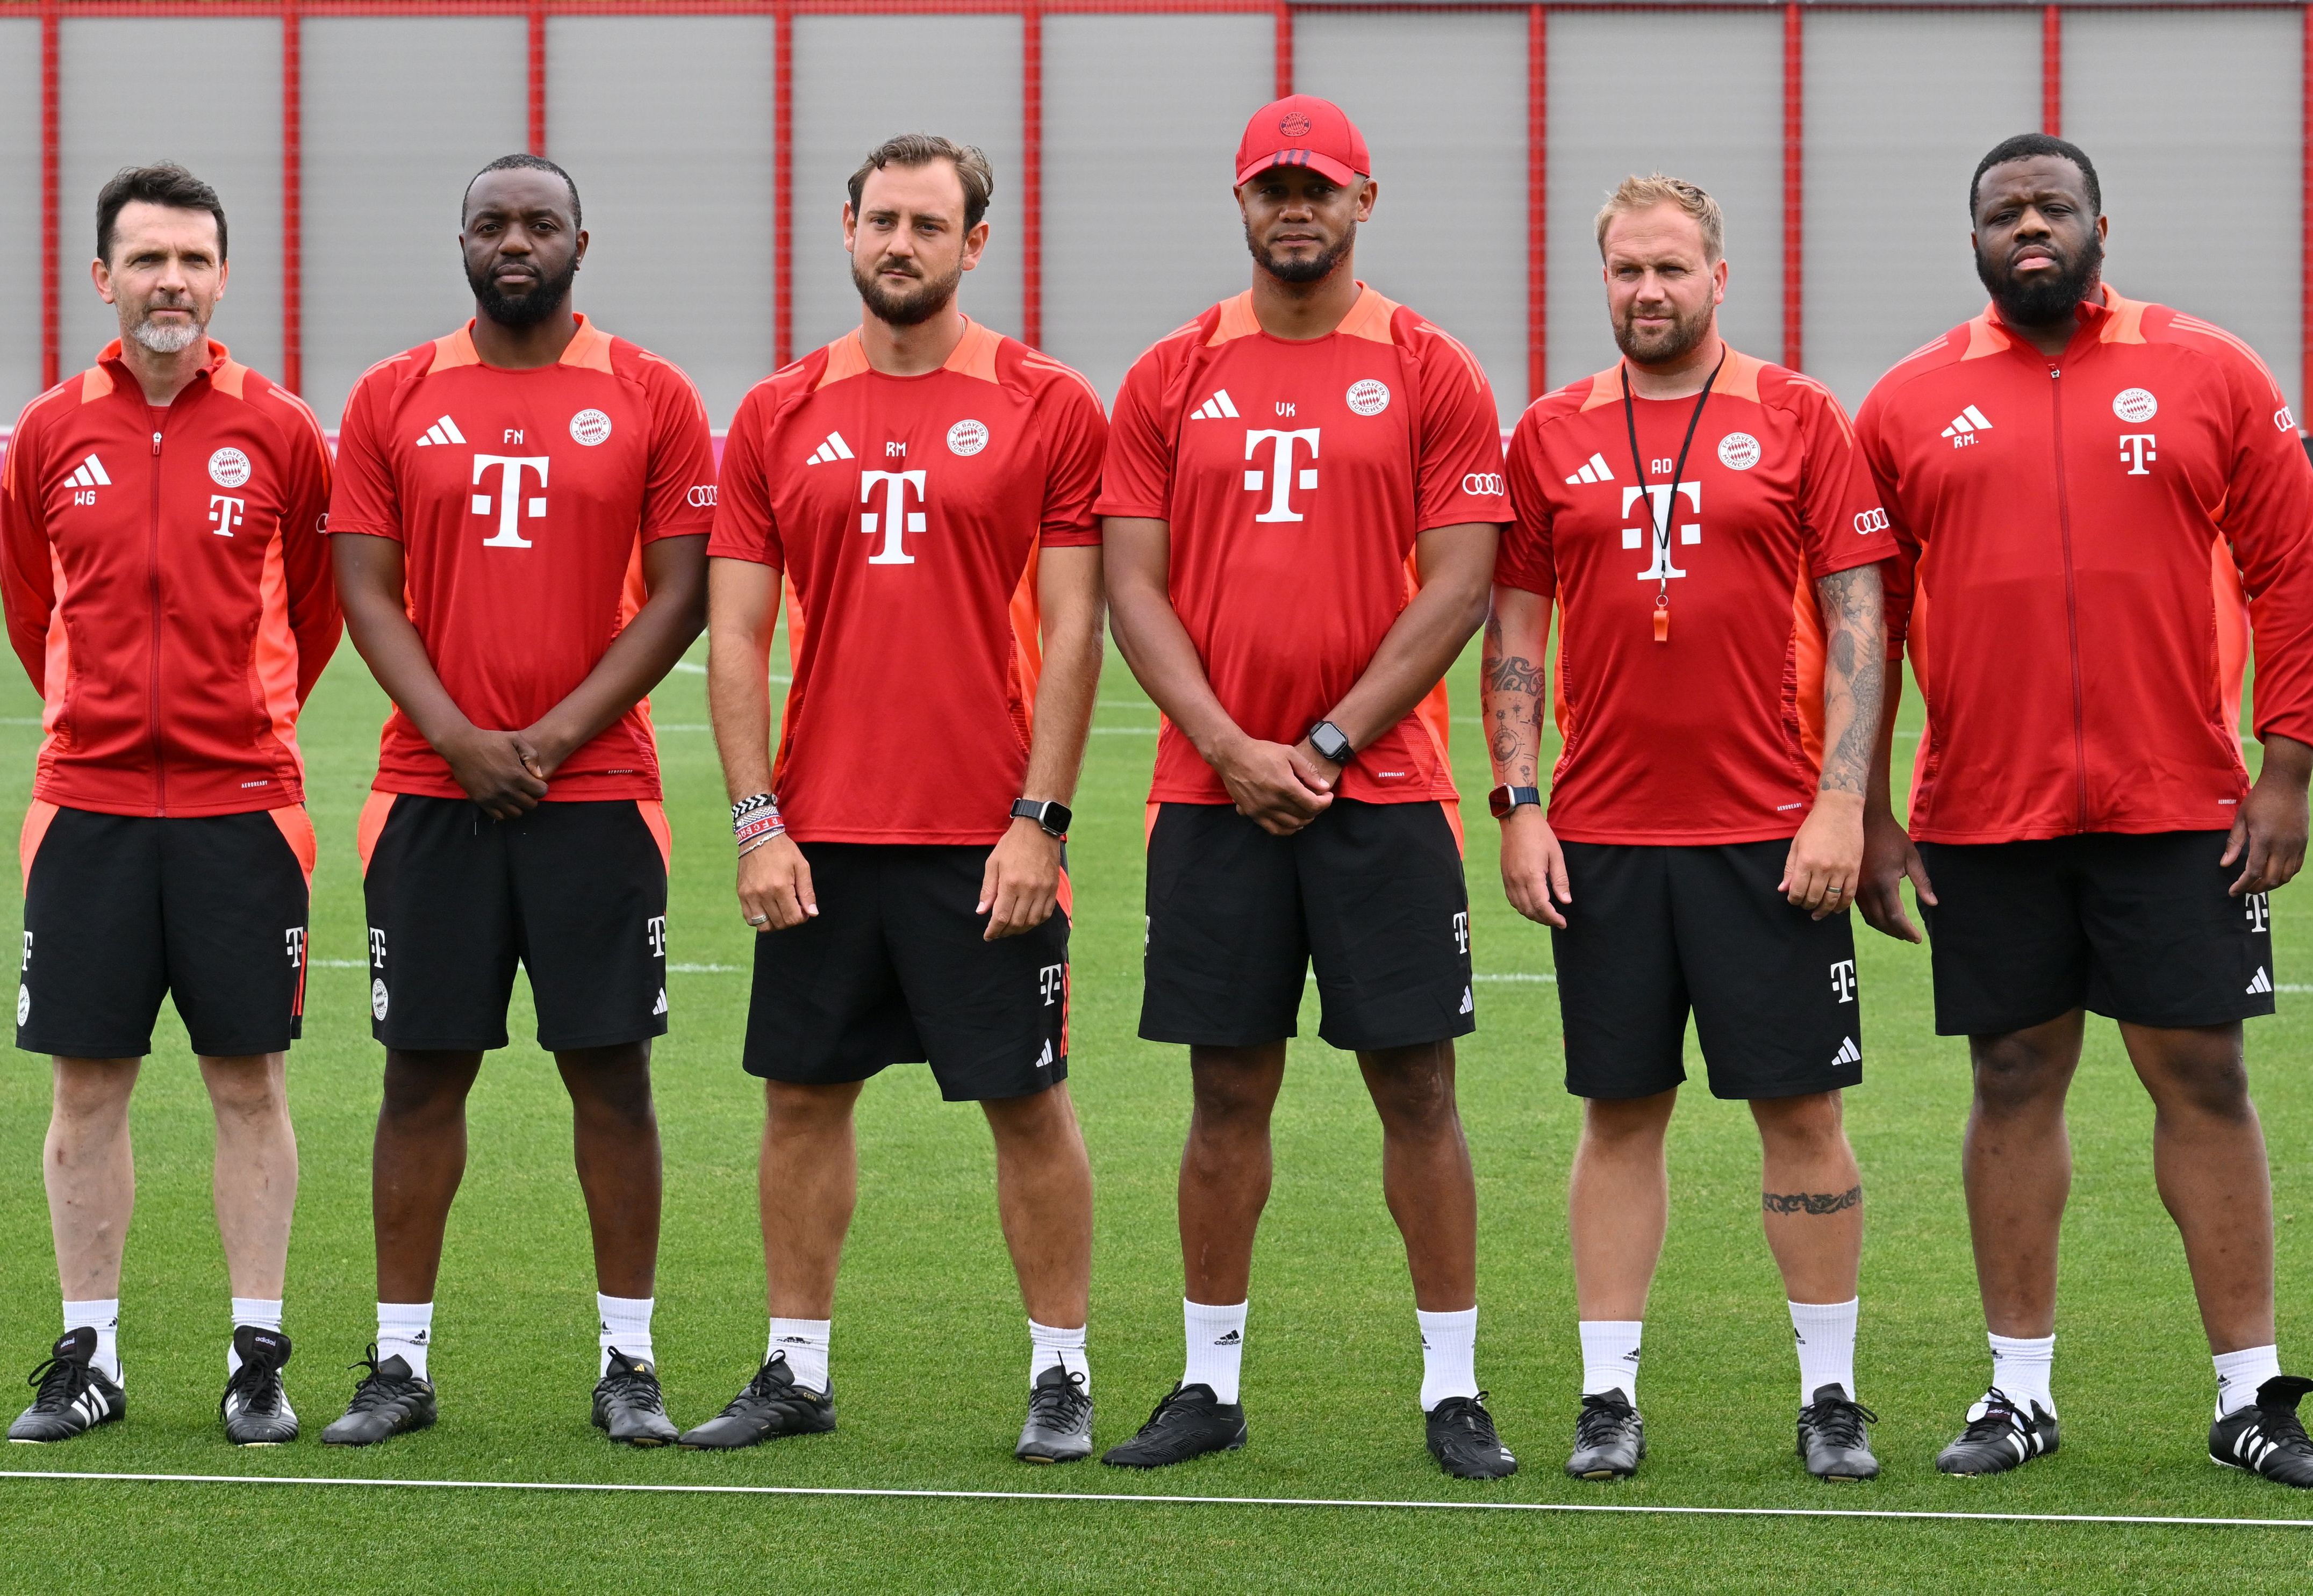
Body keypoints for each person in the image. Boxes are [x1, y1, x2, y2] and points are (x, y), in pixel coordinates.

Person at [1852, 133, 2313, 1487]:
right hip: (1985, 809)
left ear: (2099, 228)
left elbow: (2293, 574)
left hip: (2181, 804)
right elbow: (1862, 621)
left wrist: (2287, 765)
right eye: (2004, 211)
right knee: (2011, 1076)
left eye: (2052, 207)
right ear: (1971, 241)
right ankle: (2018, 1393)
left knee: (2204, 1075)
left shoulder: (2209, 369)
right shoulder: (1904, 404)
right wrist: (1871, 805)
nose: (2031, 227)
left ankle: (2252, 1397)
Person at [1097, 95, 1514, 1478]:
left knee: (1418, 1085)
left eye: (1318, 186)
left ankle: (1452, 1385)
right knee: (1227, 1092)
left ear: (1363, 200)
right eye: (1273, 186)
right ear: (1240, 203)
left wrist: (1326, 746)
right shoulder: (1171, 373)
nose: (1295, 207)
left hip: (1381, 796)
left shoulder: (1429, 366)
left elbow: (1460, 587)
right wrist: (1228, 746)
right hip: (1213, 797)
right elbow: (1132, 587)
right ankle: (1209, 1382)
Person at [681, 135, 1108, 1463]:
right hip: (817, 837)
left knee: (1027, 1103)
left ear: (976, 244)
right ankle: (794, 1368)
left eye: (932, 224)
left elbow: (1078, 624)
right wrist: (758, 821)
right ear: (847, 228)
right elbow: (737, 638)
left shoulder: (1048, 403)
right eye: (883, 221)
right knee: (802, 1100)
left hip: (987, 841)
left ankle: (1062, 1374)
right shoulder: (778, 411)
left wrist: (1039, 821)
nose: (903, 244)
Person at [1487, 175, 1892, 1483]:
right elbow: (1515, 638)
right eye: (1626, 273)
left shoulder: (1799, 417)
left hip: (1769, 838)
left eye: (1671, 269)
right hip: (1602, 842)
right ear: (1600, 281)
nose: (1648, 292)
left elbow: (1858, 620)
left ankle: (1830, 1393)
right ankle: (1608, 1396)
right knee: (1619, 1115)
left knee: (1802, 1116)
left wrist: (1841, 799)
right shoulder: (1549, 432)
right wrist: (1519, 803)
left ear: (1721, 275)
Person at [321, 153, 715, 1447]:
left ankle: (630, 1365)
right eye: (492, 222)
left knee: (612, 1079)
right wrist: (457, 736)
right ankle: (397, 1364)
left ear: (580, 245)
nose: (514, 241)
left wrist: (545, 737)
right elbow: (366, 588)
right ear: (463, 241)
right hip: (431, 792)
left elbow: (678, 595)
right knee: (420, 1076)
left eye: (538, 223)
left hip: (598, 793)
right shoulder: (393, 394)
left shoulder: (651, 394)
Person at [0, 164, 338, 1446]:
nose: (171, 284)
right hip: (83, 806)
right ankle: (89, 1355)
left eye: (193, 260)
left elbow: (313, 610)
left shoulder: (280, 428)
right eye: (146, 260)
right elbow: (34, 609)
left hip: (241, 807)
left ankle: (257, 1357)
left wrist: (236, 727)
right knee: (86, 1088)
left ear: (223, 277)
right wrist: (95, 724)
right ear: (102, 279)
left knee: (246, 1080)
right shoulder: (47, 433)